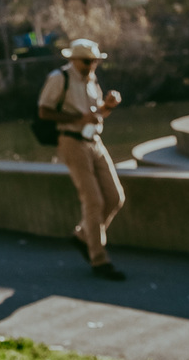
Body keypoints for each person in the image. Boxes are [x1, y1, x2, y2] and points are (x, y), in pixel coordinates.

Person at [38, 37, 126, 281]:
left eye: (95, 61)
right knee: (93, 201)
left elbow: (96, 115)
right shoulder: (59, 78)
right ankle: (99, 259)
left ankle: (82, 236)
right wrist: (77, 119)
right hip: (71, 141)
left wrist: (108, 106)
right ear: (74, 60)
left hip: (94, 141)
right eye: (87, 61)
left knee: (115, 197)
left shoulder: (91, 80)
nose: (91, 65)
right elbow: (43, 111)